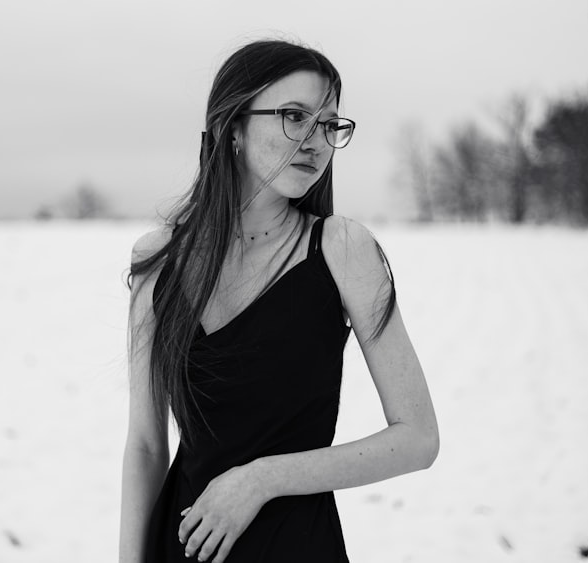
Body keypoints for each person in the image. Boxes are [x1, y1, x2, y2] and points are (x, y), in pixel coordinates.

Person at [118, 39, 439, 563]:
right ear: (233, 126)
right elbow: (147, 447)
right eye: (295, 116)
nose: (316, 141)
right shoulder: (158, 261)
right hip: (182, 548)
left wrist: (262, 479)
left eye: (329, 124)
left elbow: (418, 437)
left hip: (297, 547)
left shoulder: (341, 250)